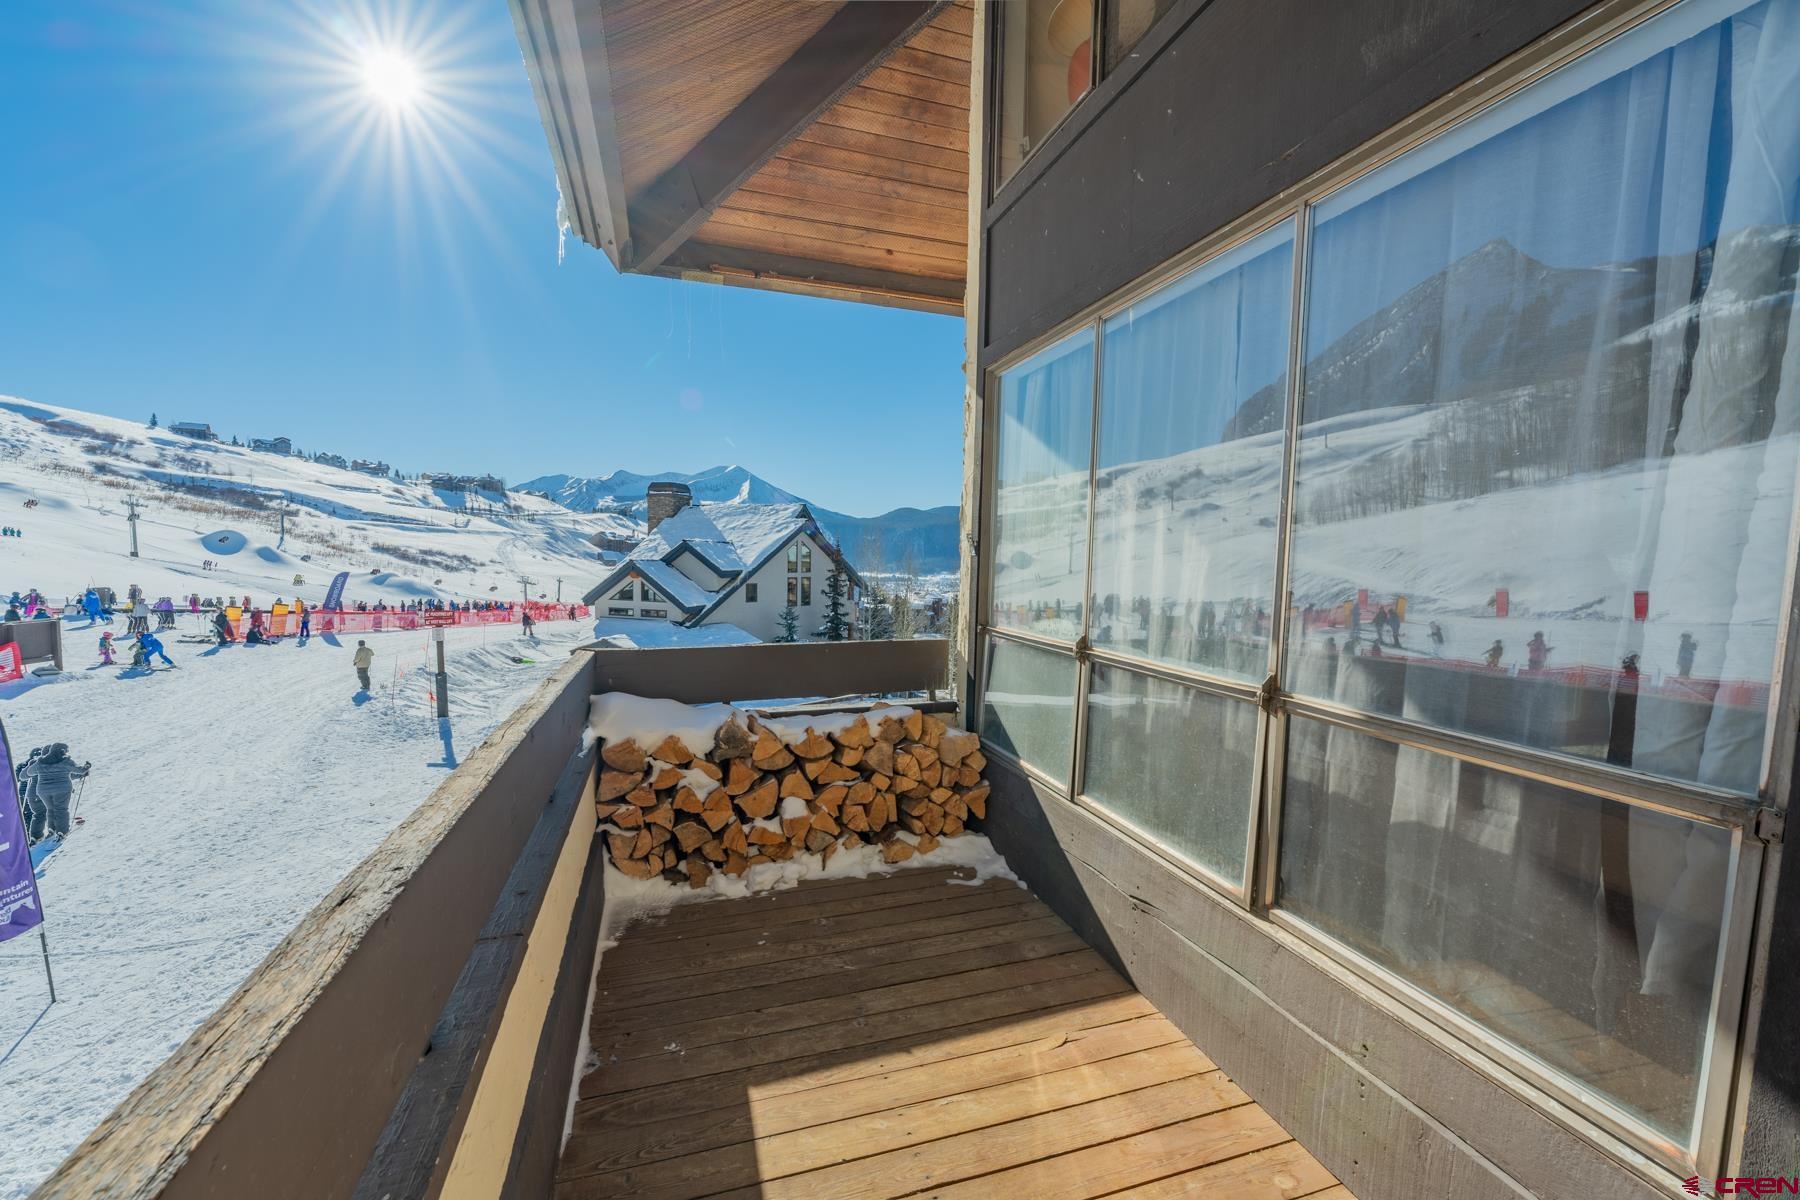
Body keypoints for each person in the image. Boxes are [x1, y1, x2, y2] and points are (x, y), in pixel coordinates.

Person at [27, 744, 90, 840]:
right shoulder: (66, 761)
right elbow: (79, 770)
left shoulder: (41, 761)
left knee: (50, 808)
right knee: (61, 809)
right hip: (62, 789)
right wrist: (87, 766)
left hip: (43, 790)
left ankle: (52, 829)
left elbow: (29, 772)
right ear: (63, 751)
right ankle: (62, 831)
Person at [19, 746, 46, 843]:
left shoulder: (24, 764)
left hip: (24, 795)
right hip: (29, 794)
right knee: (34, 814)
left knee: (28, 815)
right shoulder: (40, 764)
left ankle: (27, 837)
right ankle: (29, 837)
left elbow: (18, 775)